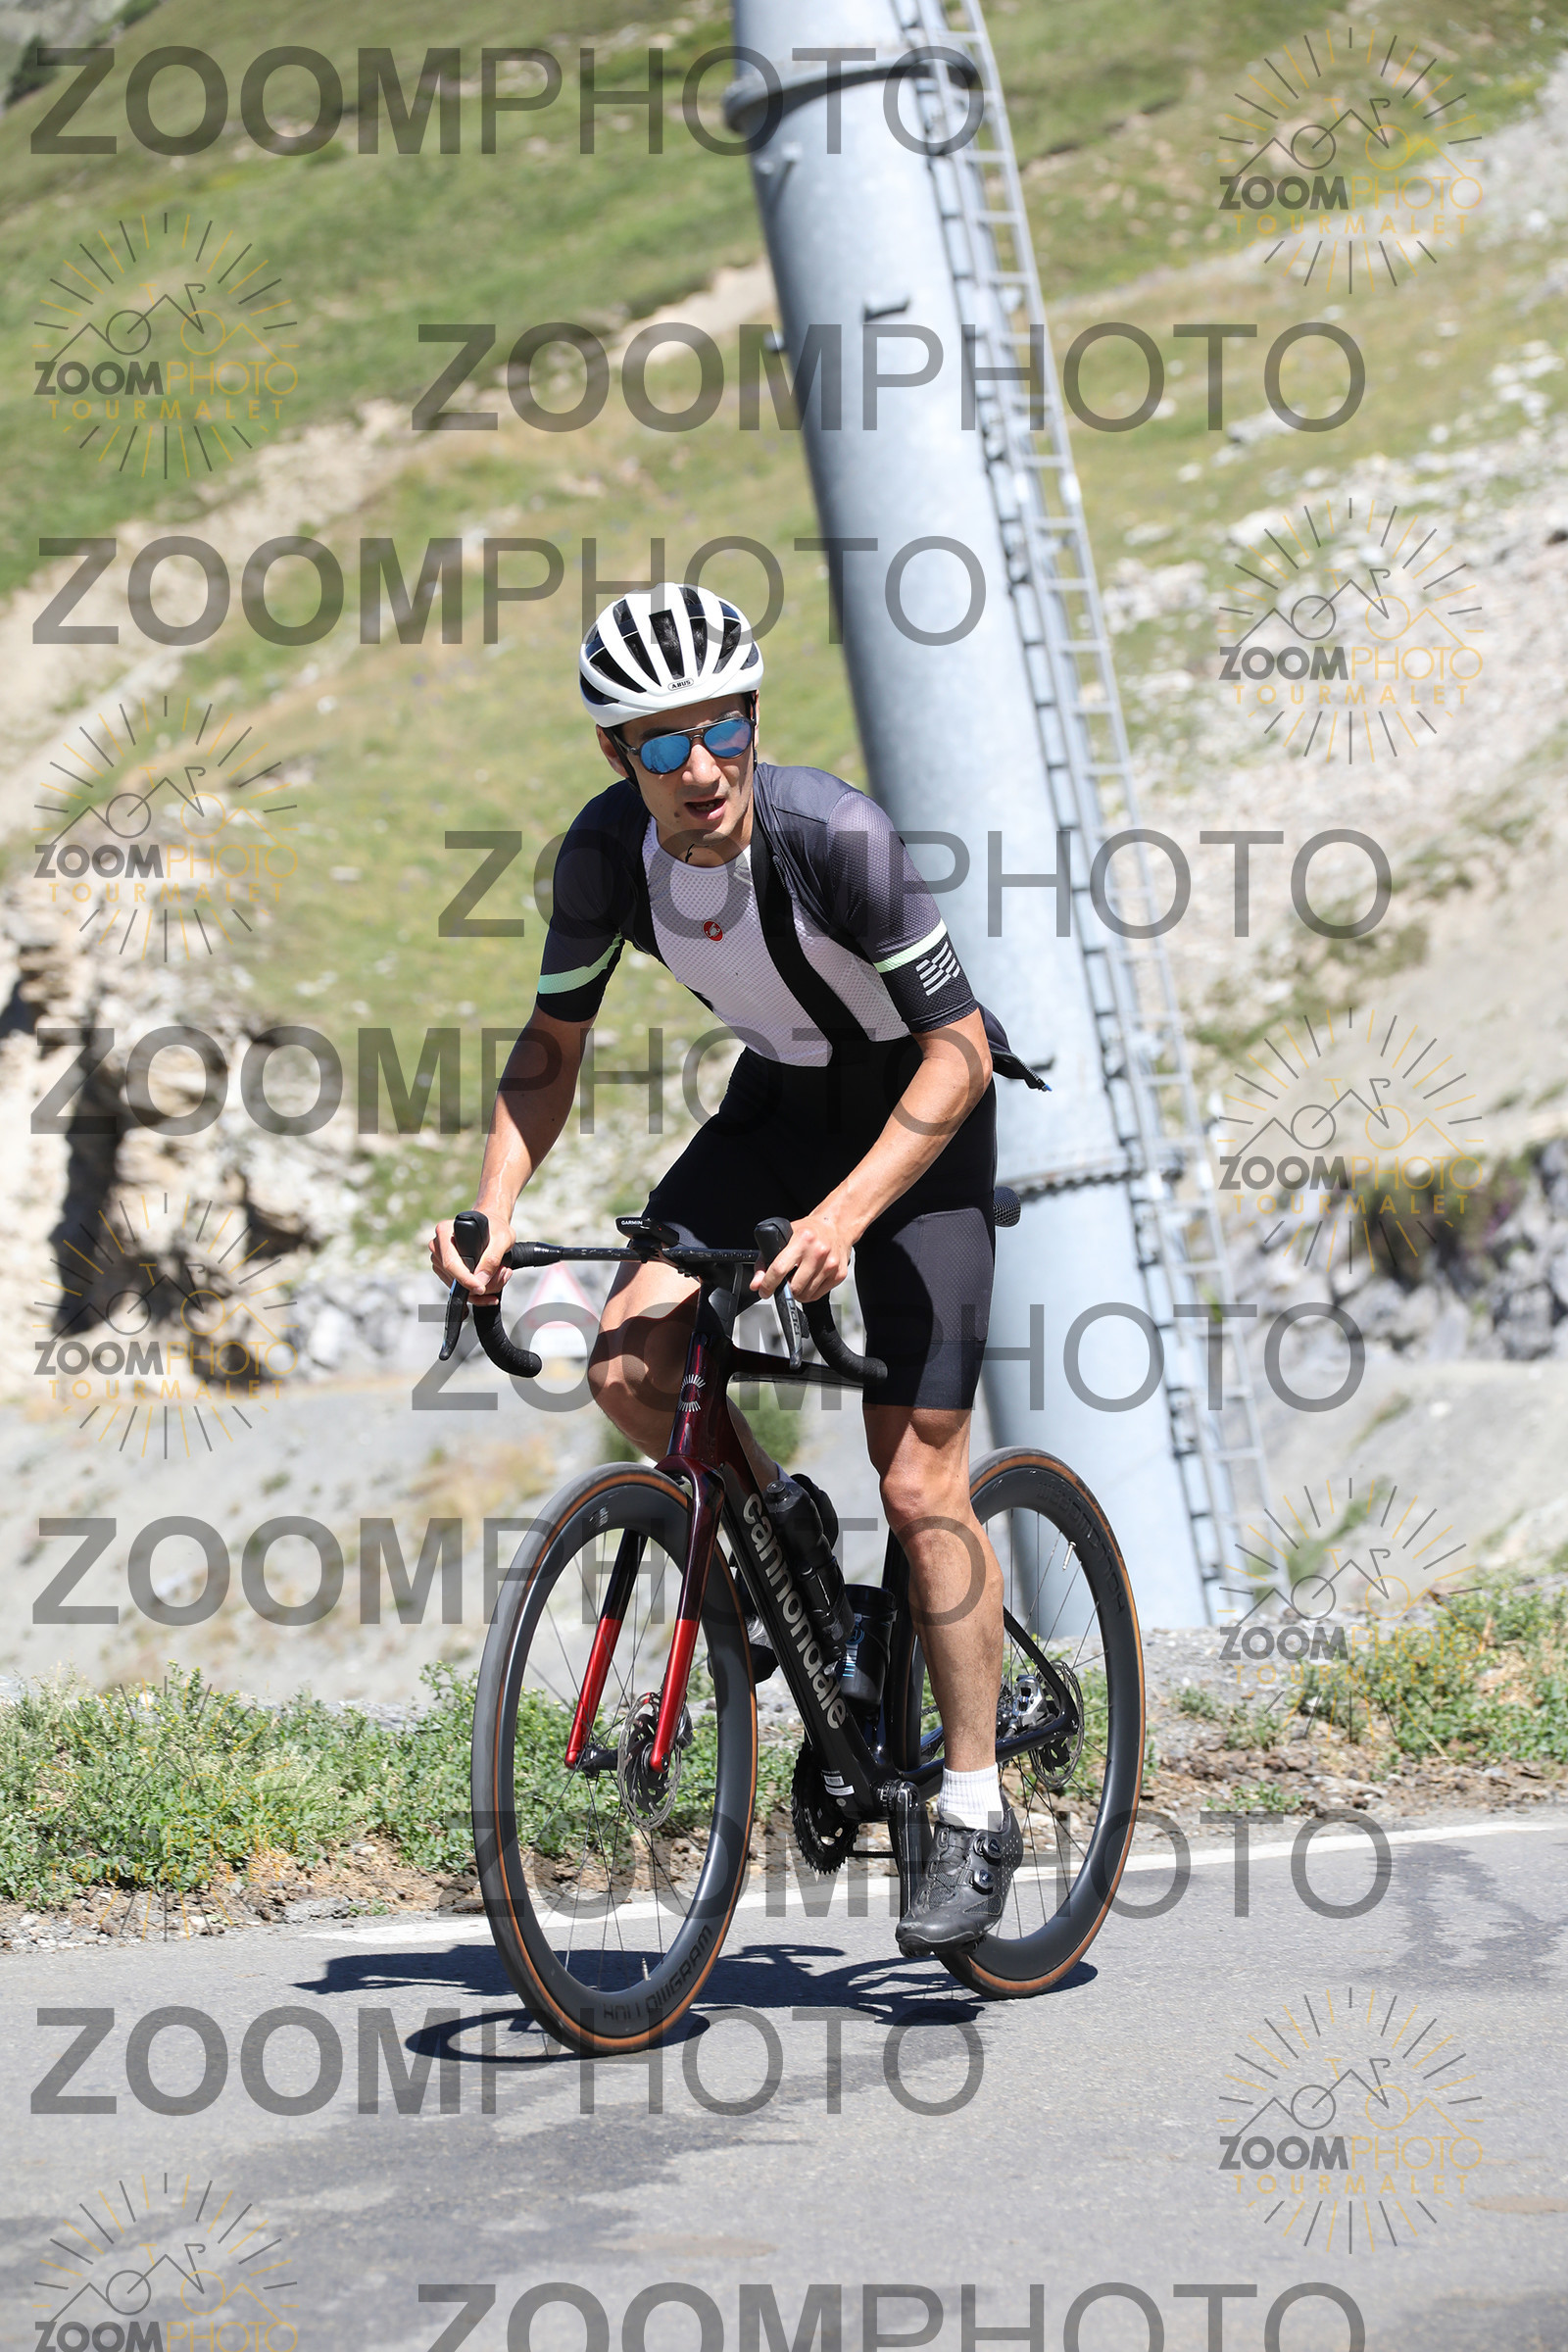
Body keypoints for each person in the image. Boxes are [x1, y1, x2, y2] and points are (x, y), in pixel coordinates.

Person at [430, 581, 1046, 1953]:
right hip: (778, 1104)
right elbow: (551, 1048)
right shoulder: (606, 854)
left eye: (722, 729)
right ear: (617, 755)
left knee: (918, 1477)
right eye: (662, 742)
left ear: (756, 721)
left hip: (923, 1124)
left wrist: (844, 1217)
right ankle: (790, 1535)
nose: (700, 766)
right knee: (626, 1363)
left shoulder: (837, 837)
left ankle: (971, 1803)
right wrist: (490, 1209)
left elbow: (958, 1053)